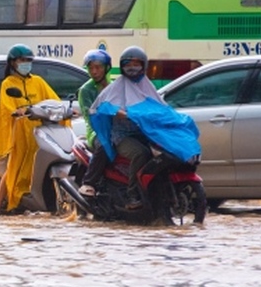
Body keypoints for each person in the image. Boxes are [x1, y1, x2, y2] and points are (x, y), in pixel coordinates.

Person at [89, 45, 200, 210]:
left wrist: (174, 118)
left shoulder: (148, 87)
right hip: (122, 136)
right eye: (128, 65)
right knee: (142, 154)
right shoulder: (117, 87)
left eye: (136, 64)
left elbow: (160, 107)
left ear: (144, 66)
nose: (132, 68)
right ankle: (132, 194)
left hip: (144, 133)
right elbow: (104, 107)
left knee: (169, 147)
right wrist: (122, 113)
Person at [0, 43, 60, 215]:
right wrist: (18, 111)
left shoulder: (38, 82)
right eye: (22, 60)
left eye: (29, 60)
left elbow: (53, 99)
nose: (26, 63)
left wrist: (64, 109)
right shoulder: (8, 83)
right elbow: (6, 107)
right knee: (14, 167)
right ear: (13, 62)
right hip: (19, 132)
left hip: (39, 131)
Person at [76, 49, 113, 197]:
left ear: (106, 68)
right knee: (104, 145)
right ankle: (89, 182)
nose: (94, 71)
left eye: (98, 67)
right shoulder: (86, 90)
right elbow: (89, 116)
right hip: (96, 131)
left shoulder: (114, 86)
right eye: (91, 68)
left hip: (118, 130)